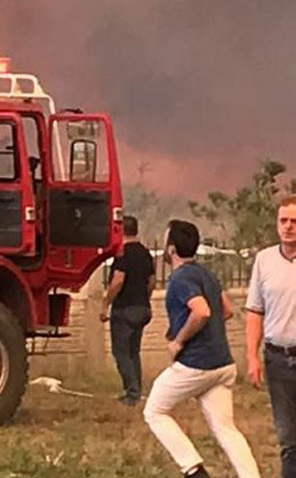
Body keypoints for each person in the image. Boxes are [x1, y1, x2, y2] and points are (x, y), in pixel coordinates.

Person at [143, 219, 259, 478]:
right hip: (223, 365)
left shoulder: (180, 278)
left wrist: (179, 340)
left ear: (171, 249)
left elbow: (202, 311)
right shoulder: (206, 274)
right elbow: (226, 311)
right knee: (225, 428)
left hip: (196, 365)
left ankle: (193, 470)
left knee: (154, 410)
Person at [245, 195, 296, 478]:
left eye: (294, 222)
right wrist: (252, 356)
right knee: (288, 437)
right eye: (284, 221)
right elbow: (254, 310)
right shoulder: (264, 260)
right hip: (278, 359)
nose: (288, 227)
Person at [101, 215, 156, 404]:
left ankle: (132, 393)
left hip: (124, 309)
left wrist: (106, 303)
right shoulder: (145, 253)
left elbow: (118, 280)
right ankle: (136, 391)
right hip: (142, 308)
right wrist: (144, 298)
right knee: (133, 352)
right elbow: (151, 281)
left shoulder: (122, 253)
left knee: (121, 352)